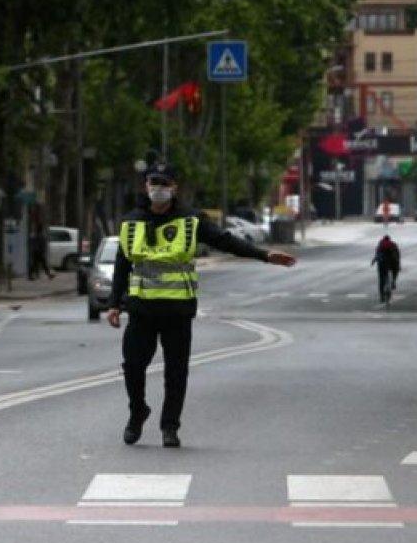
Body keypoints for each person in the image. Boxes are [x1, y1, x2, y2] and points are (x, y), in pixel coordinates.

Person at [106, 163, 296, 448]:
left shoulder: (191, 220)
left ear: (174, 188)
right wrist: (113, 304)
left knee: (176, 371)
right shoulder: (130, 222)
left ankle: (170, 427)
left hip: (178, 311)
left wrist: (264, 255)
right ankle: (137, 412)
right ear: (146, 186)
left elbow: (226, 241)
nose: (157, 188)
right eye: (153, 182)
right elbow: (122, 264)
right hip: (141, 309)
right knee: (133, 367)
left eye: (163, 183)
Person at [372, 234, 400, 302]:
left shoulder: (380, 245)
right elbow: (397, 255)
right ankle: (393, 281)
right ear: (389, 239)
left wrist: (373, 261)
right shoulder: (393, 245)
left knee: (381, 280)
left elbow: (377, 255)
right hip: (391, 262)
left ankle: (381, 296)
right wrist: (398, 264)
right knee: (395, 270)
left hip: (382, 263)